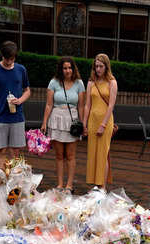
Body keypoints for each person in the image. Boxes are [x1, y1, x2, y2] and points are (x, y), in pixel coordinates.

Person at [41, 57, 86, 191]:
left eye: (70, 68)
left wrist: (83, 124)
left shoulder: (79, 83)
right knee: (59, 156)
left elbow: (81, 106)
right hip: (56, 120)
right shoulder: (53, 82)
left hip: (72, 121)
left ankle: (69, 185)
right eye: (65, 68)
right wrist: (44, 122)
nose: (67, 70)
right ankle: (60, 184)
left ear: (73, 69)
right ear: (61, 69)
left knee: (71, 155)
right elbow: (49, 104)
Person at [0, 41, 31, 172]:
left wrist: (21, 100)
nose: (10, 62)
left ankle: (14, 181)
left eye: (12, 59)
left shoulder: (21, 69)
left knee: (16, 151)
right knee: (1, 149)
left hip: (17, 117)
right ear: (2, 56)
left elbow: (27, 90)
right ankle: (1, 178)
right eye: (7, 59)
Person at [83, 53, 117, 189]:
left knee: (103, 153)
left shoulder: (112, 82)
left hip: (105, 121)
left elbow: (111, 105)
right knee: (93, 153)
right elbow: (87, 105)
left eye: (101, 66)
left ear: (106, 66)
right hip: (92, 121)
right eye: (96, 66)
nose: (98, 69)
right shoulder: (91, 82)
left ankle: (102, 187)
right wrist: (84, 124)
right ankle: (95, 185)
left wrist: (103, 124)